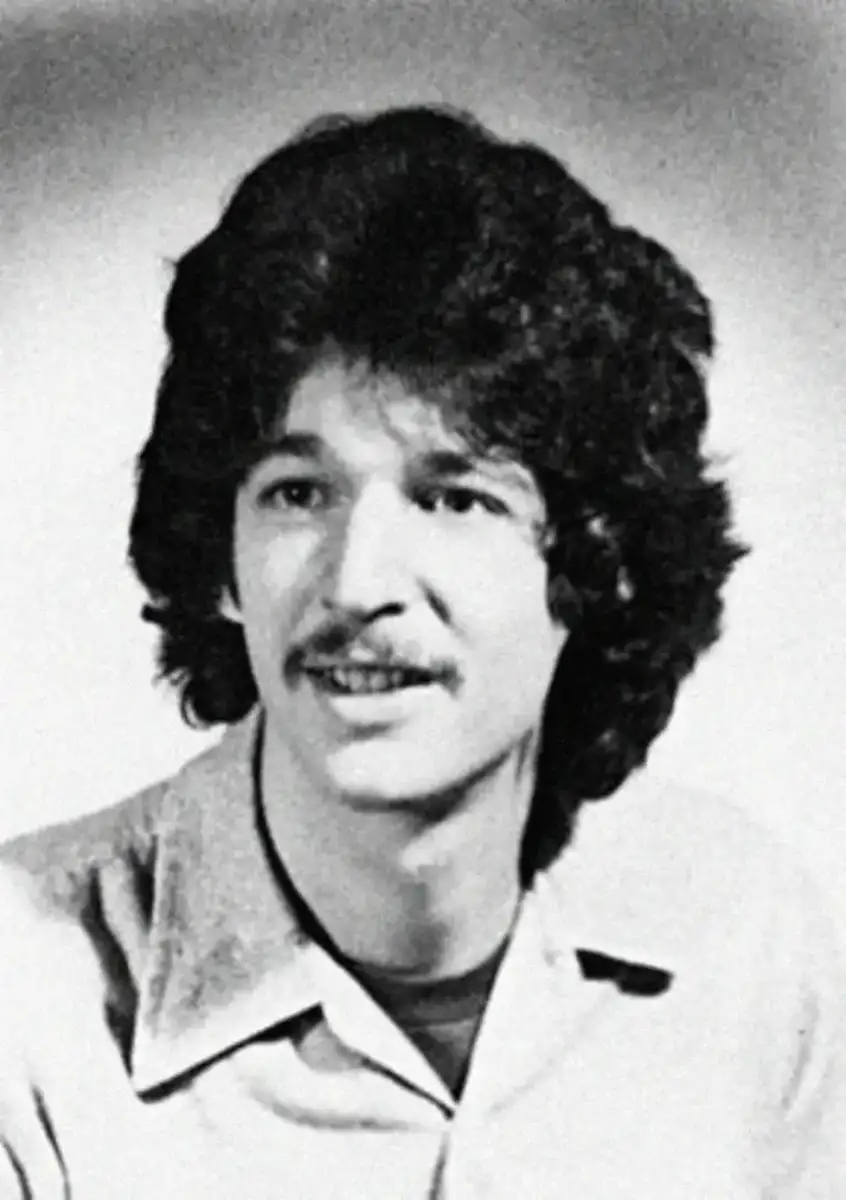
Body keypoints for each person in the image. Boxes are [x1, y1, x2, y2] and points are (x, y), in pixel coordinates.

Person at [1, 103, 843, 1199]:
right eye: (299, 493)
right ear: (221, 555)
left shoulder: (747, 938)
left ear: (593, 568)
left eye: (454, 498)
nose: (358, 585)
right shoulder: (24, 1001)